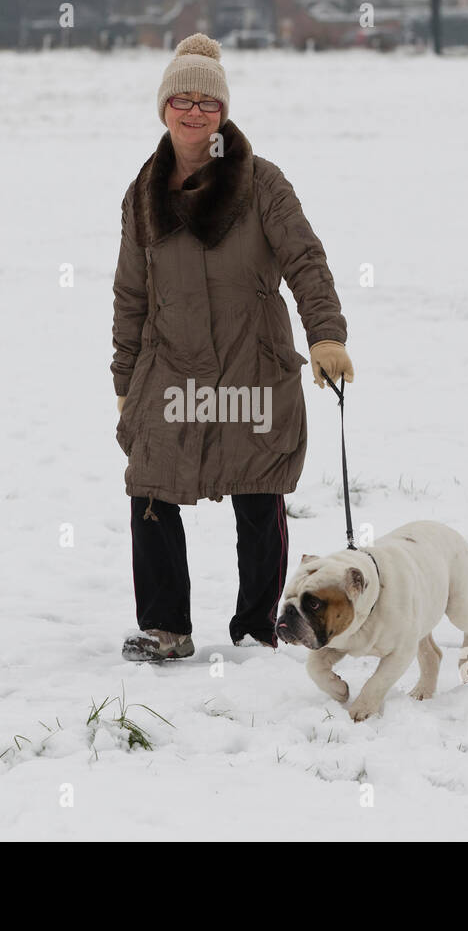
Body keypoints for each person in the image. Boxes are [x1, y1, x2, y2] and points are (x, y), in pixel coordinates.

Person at [111, 33, 355, 662]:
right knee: (151, 490)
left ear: (223, 113)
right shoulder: (143, 194)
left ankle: (256, 629)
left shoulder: (262, 183)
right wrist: (123, 377)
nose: (194, 114)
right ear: (163, 108)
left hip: (254, 362)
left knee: (257, 491)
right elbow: (131, 294)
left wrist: (326, 334)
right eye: (181, 101)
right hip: (170, 368)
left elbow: (305, 259)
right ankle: (166, 627)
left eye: (207, 103)